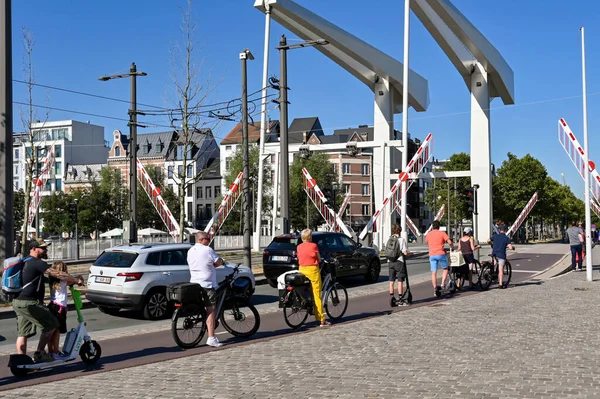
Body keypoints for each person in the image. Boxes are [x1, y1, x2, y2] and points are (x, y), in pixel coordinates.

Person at [13, 239, 71, 362]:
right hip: (30, 303)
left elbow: (36, 279)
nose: (45, 250)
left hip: (18, 301)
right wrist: (76, 280)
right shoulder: (37, 262)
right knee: (52, 323)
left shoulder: (25, 261)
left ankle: (21, 360)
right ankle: (39, 353)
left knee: (23, 333)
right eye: (42, 248)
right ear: (34, 249)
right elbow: (58, 274)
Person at [187, 232, 224, 347]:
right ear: (202, 239)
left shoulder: (190, 251)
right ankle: (211, 338)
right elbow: (218, 263)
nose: (209, 241)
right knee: (211, 310)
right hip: (207, 284)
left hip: (194, 283)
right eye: (208, 239)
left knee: (202, 307)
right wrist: (221, 261)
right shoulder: (208, 250)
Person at [46, 261, 84, 359]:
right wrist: (78, 280)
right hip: (60, 307)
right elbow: (71, 280)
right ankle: (56, 352)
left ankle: (51, 351)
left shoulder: (53, 280)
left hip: (52, 305)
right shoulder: (63, 281)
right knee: (57, 331)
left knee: (51, 330)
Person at [296, 229, 330, 327]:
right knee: (317, 295)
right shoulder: (314, 246)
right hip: (312, 271)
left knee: (306, 289)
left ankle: (307, 304)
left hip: (302, 270)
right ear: (309, 237)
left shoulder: (299, 247)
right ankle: (322, 320)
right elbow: (318, 259)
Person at [425, 220, 454, 295]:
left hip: (432, 255)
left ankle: (435, 288)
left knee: (434, 272)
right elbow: (450, 242)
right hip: (441, 253)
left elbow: (427, 241)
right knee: (445, 269)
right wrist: (452, 247)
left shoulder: (429, 234)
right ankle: (442, 284)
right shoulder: (442, 233)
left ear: (432, 226)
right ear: (439, 227)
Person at [387, 225, 409, 306]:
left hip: (390, 261)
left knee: (391, 281)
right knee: (400, 280)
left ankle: (391, 297)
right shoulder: (401, 240)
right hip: (399, 262)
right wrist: (407, 254)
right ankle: (400, 299)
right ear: (399, 231)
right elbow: (405, 252)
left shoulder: (389, 239)